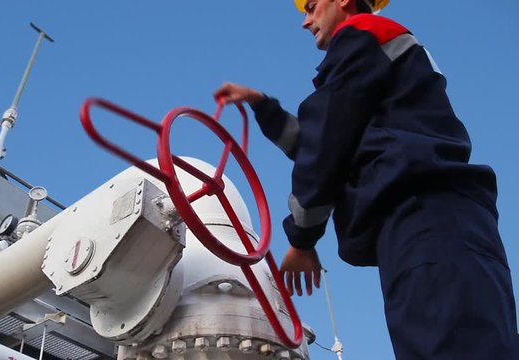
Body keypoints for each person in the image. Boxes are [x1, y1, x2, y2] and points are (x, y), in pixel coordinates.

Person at [214, 0, 519, 358]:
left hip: (421, 222)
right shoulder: (383, 56)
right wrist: (263, 106)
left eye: (311, 6)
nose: (305, 21)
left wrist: (302, 238)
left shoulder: (362, 36)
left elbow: (329, 145)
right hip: (451, 227)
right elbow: (330, 142)